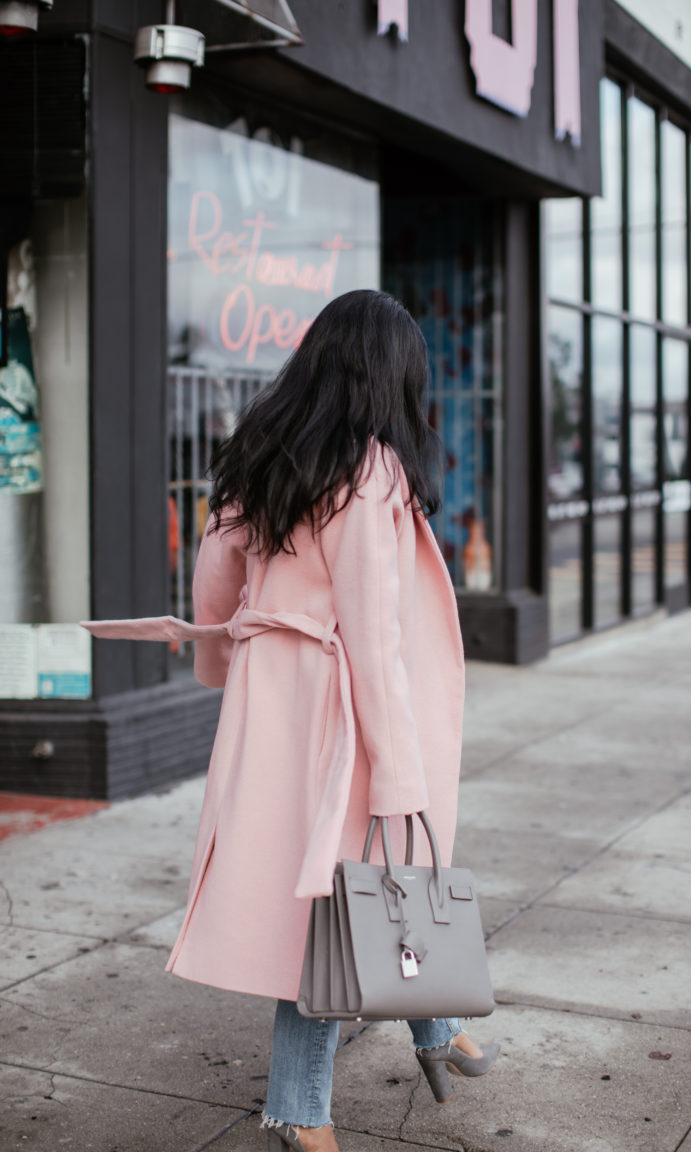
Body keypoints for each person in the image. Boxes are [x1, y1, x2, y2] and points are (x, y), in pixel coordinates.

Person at [82, 289, 498, 1152]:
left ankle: (436, 1026)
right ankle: (304, 1108)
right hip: (339, 703)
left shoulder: (262, 451)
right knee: (337, 904)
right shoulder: (372, 469)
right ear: (387, 374)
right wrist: (399, 767)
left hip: (271, 692)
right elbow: (375, 635)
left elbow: (213, 577)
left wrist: (221, 667)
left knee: (343, 887)